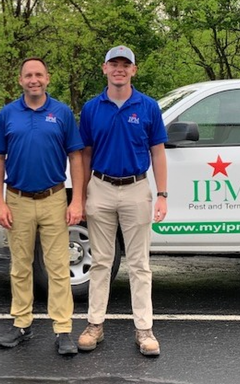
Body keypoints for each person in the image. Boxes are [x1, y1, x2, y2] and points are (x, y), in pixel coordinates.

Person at [77, 46, 168, 356]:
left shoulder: (148, 106)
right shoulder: (91, 108)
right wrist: (82, 193)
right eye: (113, 63)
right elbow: (85, 154)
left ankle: (144, 330)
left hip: (136, 188)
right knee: (101, 262)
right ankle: (94, 325)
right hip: (100, 187)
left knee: (140, 265)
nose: (119, 69)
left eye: (125, 64)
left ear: (133, 70)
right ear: (104, 69)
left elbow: (158, 152)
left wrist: (163, 195)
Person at [0, 57, 84, 355]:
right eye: (28, 75)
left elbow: (76, 158)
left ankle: (63, 329)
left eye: (39, 75)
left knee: (58, 267)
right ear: (20, 80)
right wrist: (0, 201)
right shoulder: (7, 115)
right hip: (17, 199)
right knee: (20, 267)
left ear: (48, 78)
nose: (34, 79)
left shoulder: (62, 113)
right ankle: (22, 324)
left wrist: (77, 199)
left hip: (54, 198)